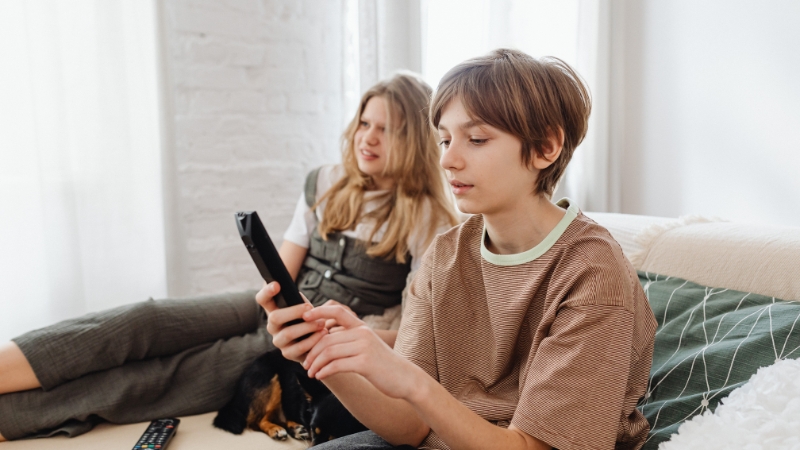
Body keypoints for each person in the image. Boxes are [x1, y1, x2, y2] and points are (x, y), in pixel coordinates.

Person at [0, 72, 458, 442]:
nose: (368, 138)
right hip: (275, 305)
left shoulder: (430, 219)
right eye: (364, 123)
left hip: (316, 336)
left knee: (176, 374)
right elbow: (283, 266)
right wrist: (270, 301)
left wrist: (355, 334)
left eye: (386, 129)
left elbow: (416, 330)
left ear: (414, 138)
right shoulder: (325, 181)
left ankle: (9, 416)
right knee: (148, 320)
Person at [260, 49, 658, 450]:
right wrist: (324, 354)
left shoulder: (592, 272)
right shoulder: (446, 253)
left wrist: (413, 383)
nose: (448, 159)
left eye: (477, 139)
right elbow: (410, 426)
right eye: (445, 140)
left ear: (546, 147)